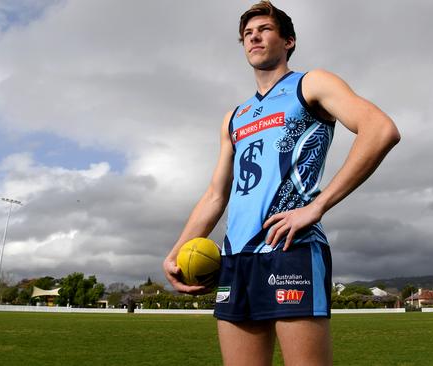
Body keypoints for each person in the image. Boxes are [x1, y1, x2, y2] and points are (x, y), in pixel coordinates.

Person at [163, 1, 400, 365]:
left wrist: (316, 207)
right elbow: (216, 195)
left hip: (290, 247)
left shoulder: (311, 84)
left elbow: (380, 130)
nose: (253, 37)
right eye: (247, 33)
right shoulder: (234, 117)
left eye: (264, 29)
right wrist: (177, 250)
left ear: (288, 40)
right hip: (235, 257)